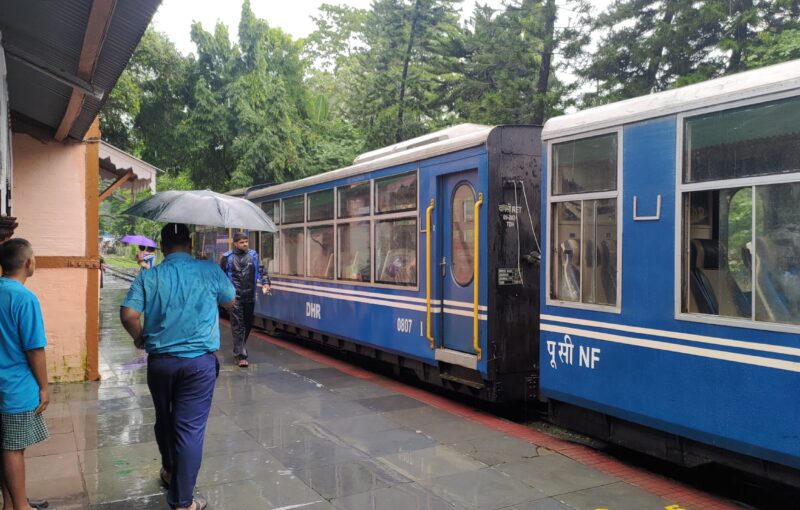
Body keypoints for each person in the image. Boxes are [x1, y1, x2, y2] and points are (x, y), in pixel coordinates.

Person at [120, 224, 235, 510]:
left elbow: (129, 313)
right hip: (198, 364)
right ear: (190, 243)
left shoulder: (150, 275)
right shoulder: (208, 270)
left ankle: (170, 471)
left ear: (162, 246)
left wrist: (139, 338)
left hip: (160, 363)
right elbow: (231, 301)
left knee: (164, 417)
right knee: (190, 429)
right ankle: (183, 502)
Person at [0, 239, 52, 510]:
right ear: (28, 263)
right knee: (13, 448)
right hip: (15, 387)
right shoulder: (24, 298)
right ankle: (21, 506)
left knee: (4, 447)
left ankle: (9, 504)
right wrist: (44, 386)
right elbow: (34, 350)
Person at [220, 233, 270, 368]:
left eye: (246, 241)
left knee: (247, 325)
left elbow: (261, 270)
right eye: (242, 242)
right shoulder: (227, 257)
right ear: (235, 243)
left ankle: (239, 348)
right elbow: (221, 277)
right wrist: (223, 296)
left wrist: (265, 283)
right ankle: (240, 355)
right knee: (238, 326)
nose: (245, 244)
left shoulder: (253, 256)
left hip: (250, 296)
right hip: (234, 298)